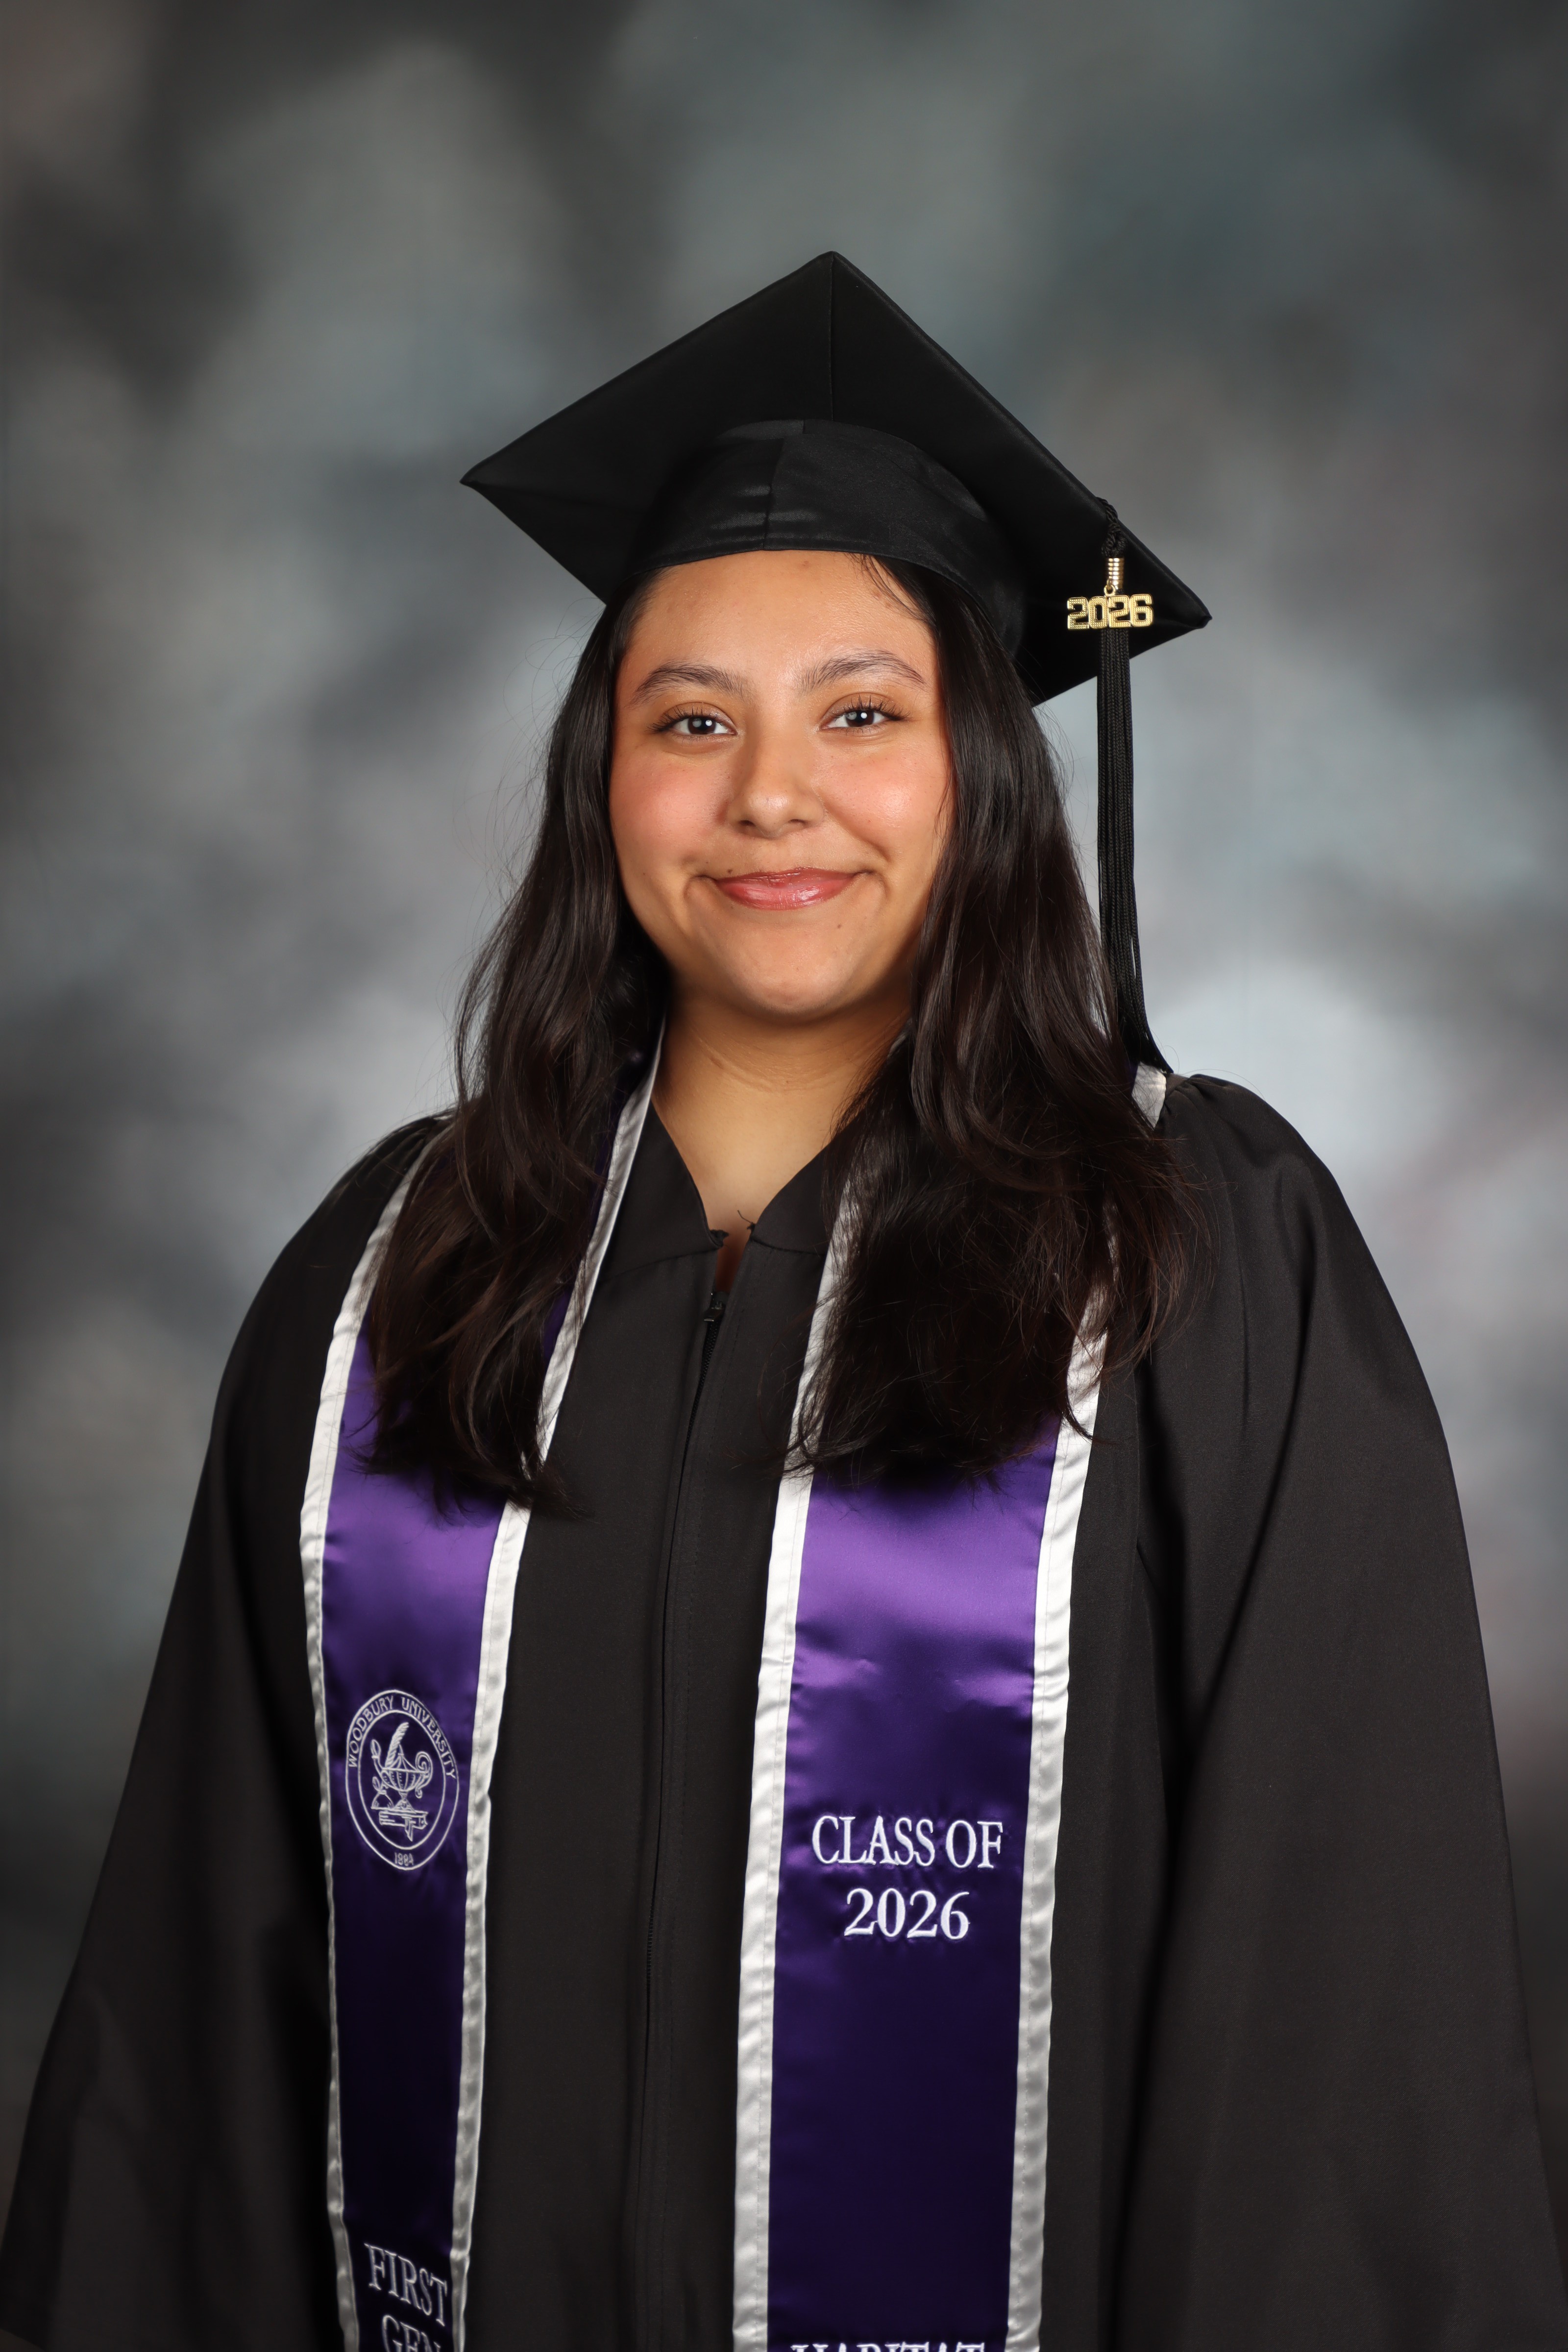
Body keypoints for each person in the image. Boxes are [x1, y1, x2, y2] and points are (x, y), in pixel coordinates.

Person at [1, 253, 1562, 2352]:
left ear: (979, 767)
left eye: (861, 712)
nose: (769, 794)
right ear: (604, 778)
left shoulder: (1193, 1261)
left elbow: (1341, 2019)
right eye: (690, 720)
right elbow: (203, 2007)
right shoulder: (397, 1276)